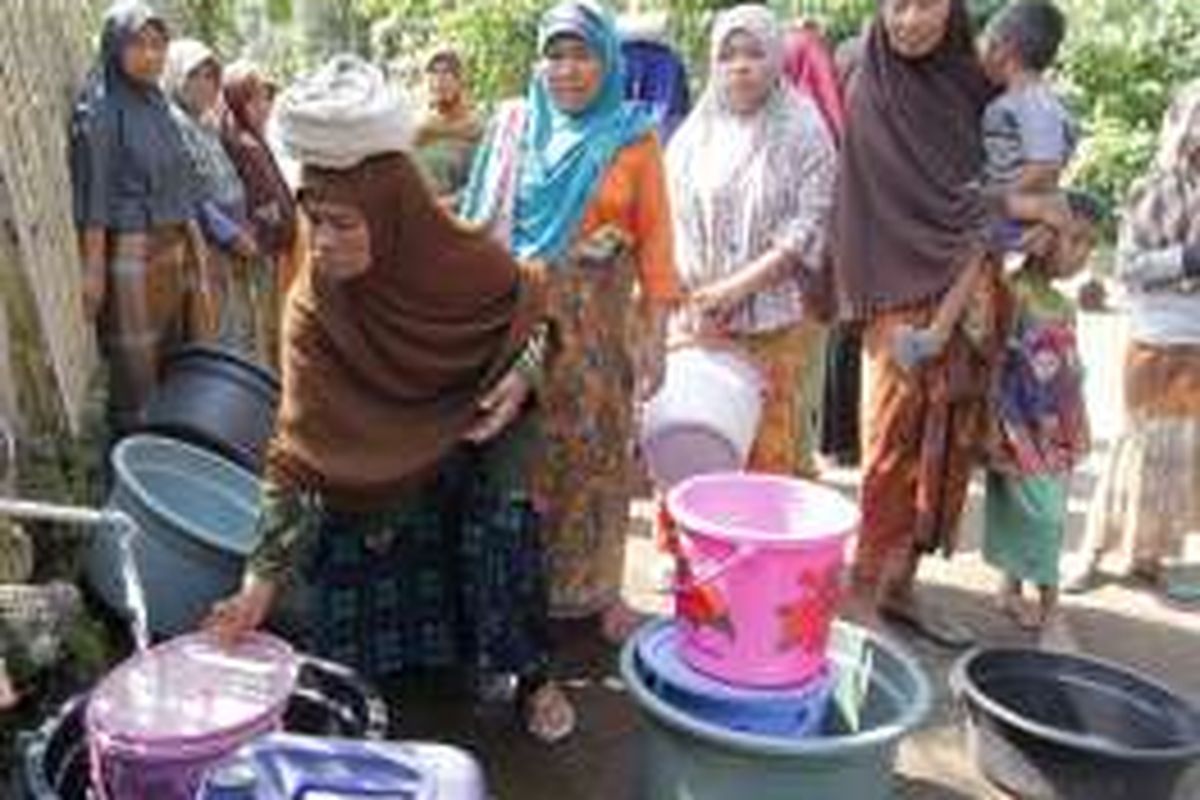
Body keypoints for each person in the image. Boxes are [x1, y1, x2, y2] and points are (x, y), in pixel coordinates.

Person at [205, 56, 575, 743]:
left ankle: (532, 675)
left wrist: (519, 377)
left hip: (473, 433)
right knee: (346, 542)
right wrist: (257, 585)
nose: (325, 242)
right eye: (316, 222)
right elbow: (295, 450)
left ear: (394, 213)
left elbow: (537, 318)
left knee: (500, 525)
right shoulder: (313, 307)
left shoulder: (460, 261)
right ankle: (394, 676)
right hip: (374, 458)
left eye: (345, 224)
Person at [460, 0, 681, 642]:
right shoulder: (515, 128)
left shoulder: (634, 139)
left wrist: (658, 338)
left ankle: (600, 595)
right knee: (524, 467)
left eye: (582, 53)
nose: (567, 69)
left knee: (598, 461)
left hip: (601, 340)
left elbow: (657, 247)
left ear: (609, 59)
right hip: (517, 331)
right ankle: (525, 603)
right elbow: (481, 225)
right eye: (555, 54)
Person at [830, 0, 996, 646]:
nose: (909, 20)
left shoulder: (974, 80)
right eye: (896, 4)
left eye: (926, 4)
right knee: (890, 446)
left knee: (948, 445)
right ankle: (862, 588)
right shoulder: (856, 69)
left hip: (967, 289)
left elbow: (997, 181)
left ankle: (903, 583)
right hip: (893, 293)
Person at [667, 4, 836, 477]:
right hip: (695, 323)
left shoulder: (805, 130)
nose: (740, 66)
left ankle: (753, 552)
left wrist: (734, 290)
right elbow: (669, 216)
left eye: (754, 53)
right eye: (728, 55)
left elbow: (807, 227)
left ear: (778, 57)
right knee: (695, 447)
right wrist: (694, 301)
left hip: (771, 328)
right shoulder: (695, 132)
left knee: (761, 455)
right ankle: (691, 553)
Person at [891, 0, 1077, 372]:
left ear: (1003, 49)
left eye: (985, 44)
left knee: (971, 250)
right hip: (1022, 204)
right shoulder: (1024, 101)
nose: (978, 55)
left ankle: (935, 335)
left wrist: (996, 195)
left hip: (1018, 202)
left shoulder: (1033, 102)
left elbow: (1046, 164)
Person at [1067, 81, 1200, 603]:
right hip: (1157, 337)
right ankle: (1093, 553)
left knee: (1184, 455)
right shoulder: (1156, 188)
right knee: (1137, 447)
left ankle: (1150, 558)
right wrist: (1185, 261)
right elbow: (1128, 266)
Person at [69, 2, 216, 434]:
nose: (151, 55)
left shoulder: (158, 105)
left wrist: (196, 251)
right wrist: (94, 270)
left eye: (158, 45)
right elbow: (93, 191)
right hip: (132, 253)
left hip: (174, 246)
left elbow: (181, 181)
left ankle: (173, 446)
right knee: (137, 370)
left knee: (177, 354)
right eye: (139, 45)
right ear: (115, 47)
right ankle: (135, 458)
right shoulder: (100, 107)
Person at [984, 194, 1100, 630]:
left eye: (1090, 246)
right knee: (1043, 514)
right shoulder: (1013, 294)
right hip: (1019, 427)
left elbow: (1070, 373)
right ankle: (1051, 607)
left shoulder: (1064, 305)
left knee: (1039, 508)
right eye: (1076, 241)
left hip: (1057, 429)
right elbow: (996, 363)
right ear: (1045, 237)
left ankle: (1010, 591)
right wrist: (993, 428)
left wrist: (1079, 423)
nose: (1083, 255)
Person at [165, 39, 265, 359]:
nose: (207, 85)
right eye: (197, 75)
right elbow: (190, 195)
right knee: (219, 332)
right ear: (177, 77)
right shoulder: (173, 125)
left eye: (212, 76)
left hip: (234, 240)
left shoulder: (204, 125)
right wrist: (233, 235)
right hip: (208, 245)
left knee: (240, 327)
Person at [221, 60, 299, 366]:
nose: (263, 106)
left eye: (266, 98)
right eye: (253, 99)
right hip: (257, 248)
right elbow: (245, 198)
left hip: (272, 245)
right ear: (236, 100)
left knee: (273, 316)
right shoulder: (236, 140)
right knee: (261, 321)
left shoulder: (255, 136)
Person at [413, 48, 485, 205]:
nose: (439, 81)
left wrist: (442, 204)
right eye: (433, 73)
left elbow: (482, 187)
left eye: (447, 73)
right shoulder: (419, 123)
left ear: (460, 81)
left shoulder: (476, 127)